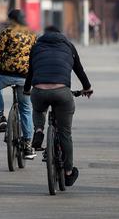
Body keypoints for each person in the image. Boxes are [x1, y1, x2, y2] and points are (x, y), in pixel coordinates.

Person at [24, 26, 92, 187]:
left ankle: (39, 130)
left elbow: (31, 72)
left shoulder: (36, 46)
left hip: (39, 91)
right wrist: (87, 88)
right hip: (62, 92)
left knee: (39, 108)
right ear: (60, 34)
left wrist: (27, 90)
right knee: (65, 133)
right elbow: (79, 70)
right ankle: (68, 172)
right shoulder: (68, 45)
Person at [0, 9, 37, 159]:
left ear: (12, 20)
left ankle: (2, 117)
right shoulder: (32, 34)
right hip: (25, 77)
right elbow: (36, 54)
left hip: (6, 75)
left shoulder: (6, 32)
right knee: (26, 110)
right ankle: (28, 145)